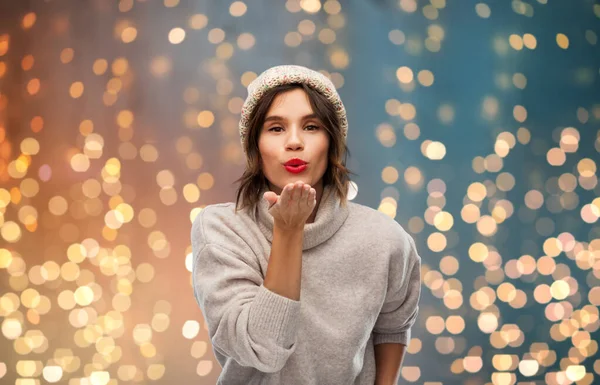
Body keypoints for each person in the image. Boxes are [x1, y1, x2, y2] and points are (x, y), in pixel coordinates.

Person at [190, 64, 422, 385]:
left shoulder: (385, 239)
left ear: (332, 142)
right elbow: (265, 351)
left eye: (312, 127)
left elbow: (393, 327)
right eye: (275, 128)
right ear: (255, 147)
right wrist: (287, 232)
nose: (295, 142)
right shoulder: (220, 230)